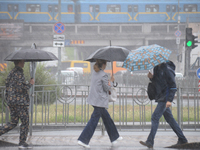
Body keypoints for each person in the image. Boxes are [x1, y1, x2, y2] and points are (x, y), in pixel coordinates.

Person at [140, 60, 188, 148]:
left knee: (155, 117)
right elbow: (158, 83)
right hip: (160, 97)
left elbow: (173, 86)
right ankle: (183, 139)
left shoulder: (167, 69)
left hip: (165, 99)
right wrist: (151, 77)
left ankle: (150, 141)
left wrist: (169, 100)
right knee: (170, 119)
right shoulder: (157, 68)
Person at [77, 59, 122, 148]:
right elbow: (106, 88)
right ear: (104, 65)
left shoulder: (95, 72)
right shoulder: (103, 74)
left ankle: (115, 137)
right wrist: (112, 81)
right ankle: (83, 140)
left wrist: (109, 81)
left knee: (107, 119)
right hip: (99, 101)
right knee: (94, 120)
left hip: (94, 99)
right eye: (106, 64)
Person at [0, 60, 34, 148]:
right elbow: (22, 88)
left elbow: (7, 87)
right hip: (20, 103)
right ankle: (22, 142)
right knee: (25, 122)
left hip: (12, 102)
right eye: (23, 62)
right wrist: (30, 84)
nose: (24, 63)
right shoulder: (19, 73)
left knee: (13, 122)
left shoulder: (11, 73)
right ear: (19, 62)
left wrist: (8, 102)